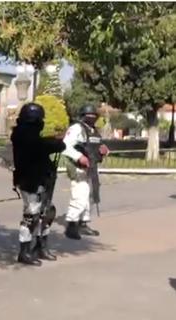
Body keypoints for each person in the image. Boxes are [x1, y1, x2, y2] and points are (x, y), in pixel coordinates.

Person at [11, 103, 66, 266]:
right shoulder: (22, 135)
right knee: (31, 215)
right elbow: (44, 146)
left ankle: (41, 247)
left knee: (47, 212)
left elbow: (46, 144)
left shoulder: (31, 135)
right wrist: (57, 142)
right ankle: (25, 251)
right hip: (29, 180)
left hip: (42, 178)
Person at [63, 104, 109, 240]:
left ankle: (83, 223)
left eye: (94, 116)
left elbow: (97, 145)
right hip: (79, 167)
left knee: (90, 196)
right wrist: (79, 157)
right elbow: (65, 146)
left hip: (92, 167)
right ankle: (71, 225)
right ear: (83, 116)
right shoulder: (76, 128)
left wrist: (104, 150)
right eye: (89, 116)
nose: (92, 118)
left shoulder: (93, 130)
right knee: (79, 196)